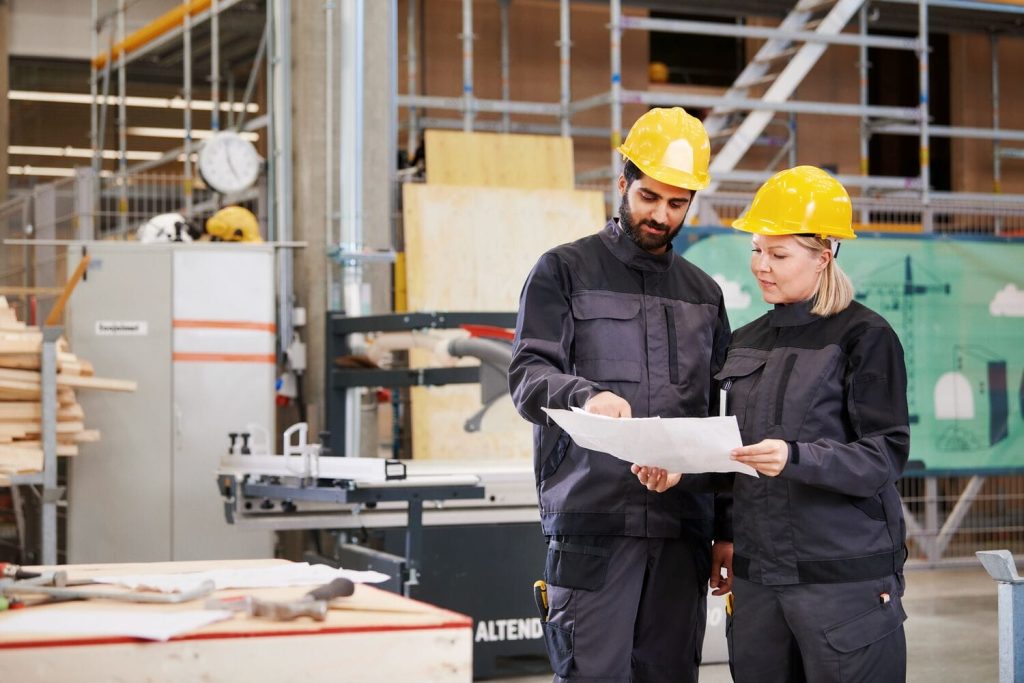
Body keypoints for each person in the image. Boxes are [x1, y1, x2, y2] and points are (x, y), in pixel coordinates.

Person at [636, 166, 910, 682]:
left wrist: (796, 458)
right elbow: (730, 448)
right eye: (757, 250)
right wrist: (687, 478)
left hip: (841, 582)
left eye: (778, 254)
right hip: (760, 579)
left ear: (823, 256)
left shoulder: (866, 336)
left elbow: (884, 456)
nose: (761, 266)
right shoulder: (746, 339)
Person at [508, 107, 733, 683]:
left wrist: (726, 528)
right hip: (592, 522)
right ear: (622, 184)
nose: (661, 215)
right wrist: (585, 396)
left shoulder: (704, 295)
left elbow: (721, 414)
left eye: (677, 203)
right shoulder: (562, 270)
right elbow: (528, 375)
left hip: (681, 526)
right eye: (649, 197)